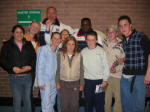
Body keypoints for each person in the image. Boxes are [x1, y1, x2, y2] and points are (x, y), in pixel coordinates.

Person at [0, 25, 36, 112]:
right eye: (17, 32)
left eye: (21, 32)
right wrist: (12, 68)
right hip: (14, 78)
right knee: (17, 100)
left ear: (23, 34)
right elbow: (2, 61)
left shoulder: (28, 44)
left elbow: (34, 58)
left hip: (27, 77)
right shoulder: (7, 45)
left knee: (28, 100)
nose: (19, 34)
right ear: (13, 33)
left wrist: (30, 66)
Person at [118, 15, 150, 112]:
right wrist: (123, 60)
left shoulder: (141, 36)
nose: (123, 28)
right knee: (126, 105)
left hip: (139, 77)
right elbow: (133, 54)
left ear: (131, 25)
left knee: (138, 106)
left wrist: (148, 73)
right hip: (125, 77)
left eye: (125, 25)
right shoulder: (123, 40)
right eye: (120, 26)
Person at [81, 31, 109, 112]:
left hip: (100, 82)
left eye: (93, 40)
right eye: (88, 40)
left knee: (99, 103)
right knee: (88, 103)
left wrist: (105, 80)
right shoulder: (83, 52)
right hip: (87, 82)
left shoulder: (101, 51)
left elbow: (106, 67)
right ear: (86, 40)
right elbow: (81, 69)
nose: (90, 42)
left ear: (96, 40)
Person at [56, 36, 84, 112]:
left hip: (75, 83)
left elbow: (81, 70)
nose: (71, 46)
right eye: (69, 44)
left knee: (74, 105)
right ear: (65, 45)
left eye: (73, 44)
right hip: (63, 83)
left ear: (75, 45)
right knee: (64, 105)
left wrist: (81, 84)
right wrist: (57, 82)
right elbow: (57, 69)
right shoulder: (60, 54)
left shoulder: (79, 55)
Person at [36, 32, 61, 112]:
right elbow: (39, 67)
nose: (56, 40)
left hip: (54, 81)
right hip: (45, 81)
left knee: (52, 102)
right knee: (46, 103)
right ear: (51, 39)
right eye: (55, 38)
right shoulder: (43, 49)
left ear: (60, 40)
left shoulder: (58, 52)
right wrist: (40, 82)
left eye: (58, 38)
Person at [103, 25, 125, 112]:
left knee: (118, 98)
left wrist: (117, 69)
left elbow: (123, 61)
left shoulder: (122, 45)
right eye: (108, 32)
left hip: (117, 76)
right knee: (106, 98)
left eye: (112, 32)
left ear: (116, 33)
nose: (110, 33)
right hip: (105, 77)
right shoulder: (104, 43)